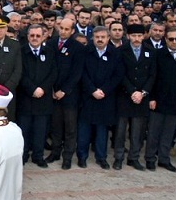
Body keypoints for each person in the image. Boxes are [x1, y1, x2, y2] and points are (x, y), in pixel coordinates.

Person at [77, 26, 124, 170]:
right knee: (84, 130)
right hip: (88, 97)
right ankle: (82, 157)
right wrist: (92, 90)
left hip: (106, 98)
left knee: (102, 130)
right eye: (97, 37)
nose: (100, 39)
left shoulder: (115, 53)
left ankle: (101, 157)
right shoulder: (85, 52)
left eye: (103, 37)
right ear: (93, 38)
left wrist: (104, 90)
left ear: (108, 38)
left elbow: (118, 75)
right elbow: (82, 73)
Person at [114, 24, 156, 171]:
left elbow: (152, 75)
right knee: (120, 130)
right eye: (134, 36)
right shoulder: (120, 51)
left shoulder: (150, 51)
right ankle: (118, 157)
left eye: (139, 36)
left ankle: (134, 158)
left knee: (137, 131)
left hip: (142, 97)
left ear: (144, 36)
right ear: (128, 36)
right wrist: (132, 91)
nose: (137, 39)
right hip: (125, 96)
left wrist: (142, 92)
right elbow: (120, 74)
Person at [45, 19, 85, 169]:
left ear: (72, 31)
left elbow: (77, 72)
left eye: (66, 29)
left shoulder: (78, 48)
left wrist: (64, 90)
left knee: (70, 127)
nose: (63, 31)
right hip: (53, 93)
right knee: (56, 126)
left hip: (70, 95)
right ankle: (55, 152)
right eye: (61, 28)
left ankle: (67, 156)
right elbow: (48, 67)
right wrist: (52, 89)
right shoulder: (51, 43)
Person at [145, 27, 176, 172]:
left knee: (169, 133)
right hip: (159, 100)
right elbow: (153, 77)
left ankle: (164, 159)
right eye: (171, 39)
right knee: (154, 132)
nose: (174, 42)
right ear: (166, 40)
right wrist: (152, 98)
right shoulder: (158, 54)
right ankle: (150, 158)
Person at [17, 24, 57, 167]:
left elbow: (53, 73)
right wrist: (32, 89)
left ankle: (38, 156)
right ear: (27, 36)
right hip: (26, 97)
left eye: (38, 36)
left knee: (41, 131)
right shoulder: (20, 52)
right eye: (32, 35)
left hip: (43, 99)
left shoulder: (49, 52)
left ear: (43, 36)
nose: (35, 38)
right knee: (24, 130)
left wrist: (43, 89)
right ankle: (23, 155)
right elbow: (20, 73)